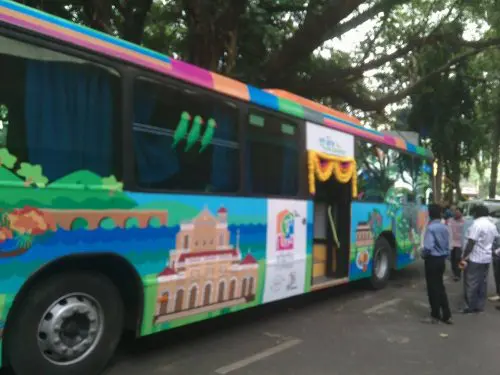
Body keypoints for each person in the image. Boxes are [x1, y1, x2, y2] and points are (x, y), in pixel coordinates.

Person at [460, 205, 499, 314]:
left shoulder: (476, 224)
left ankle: (469, 306)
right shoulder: (492, 225)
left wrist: (464, 256)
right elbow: (495, 240)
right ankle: (479, 305)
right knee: (482, 282)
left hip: (475, 258)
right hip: (486, 258)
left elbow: (471, 242)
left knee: (471, 282)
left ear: (477, 213)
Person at [421, 204, 452, 324]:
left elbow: (428, 247)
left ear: (429, 213)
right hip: (441, 261)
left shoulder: (431, 228)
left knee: (432, 288)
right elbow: (448, 245)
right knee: (440, 287)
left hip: (432, 260)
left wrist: (423, 254)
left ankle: (435, 315)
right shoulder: (444, 227)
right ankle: (447, 315)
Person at [448, 207, 465, 281]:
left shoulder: (464, 221)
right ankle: (455, 273)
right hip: (452, 243)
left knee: (458, 259)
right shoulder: (450, 220)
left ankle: (458, 274)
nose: (456, 214)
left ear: (461, 213)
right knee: (452, 259)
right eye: (455, 212)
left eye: (458, 213)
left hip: (460, 243)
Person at [489, 220, 500, 302]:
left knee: (498, 274)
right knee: (497, 274)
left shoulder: (497, 224)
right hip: (497, 253)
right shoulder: (496, 224)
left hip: (497, 253)